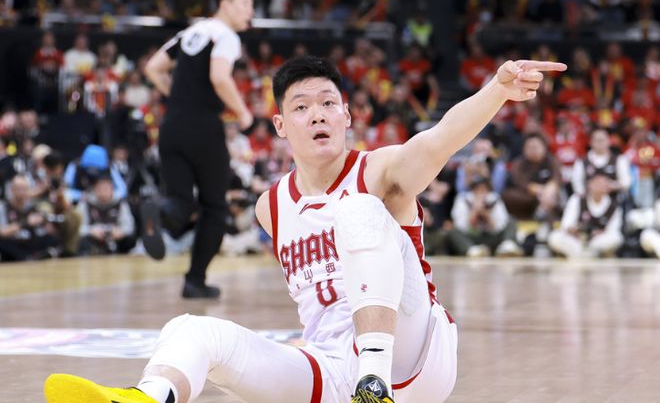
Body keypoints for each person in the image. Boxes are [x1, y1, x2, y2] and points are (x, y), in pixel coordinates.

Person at [44, 56, 565, 402]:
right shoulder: (271, 207)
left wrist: (496, 91)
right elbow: (321, 299)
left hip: (413, 357)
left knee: (357, 211)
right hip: (333, 368)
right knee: (190, 329)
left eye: (328, 104)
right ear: (280, 125)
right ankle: (149, 398)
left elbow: (439, 139)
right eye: (301, 107)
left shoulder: (379, 171)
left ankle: (374, 387)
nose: (318, 114)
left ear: (346, 117)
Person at [140, 0, 254, 299]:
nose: (250, 11)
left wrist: (178, 97)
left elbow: (153, 68)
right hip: (204, 128)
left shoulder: (190, 32)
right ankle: (195, 281)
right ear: (225, 4)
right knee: (215, 207)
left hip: (171, 126)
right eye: (245, 3)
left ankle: (158, 211)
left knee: (179, 201)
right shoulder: (226, 35)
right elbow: (220, 77)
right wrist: (243, 113)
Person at [548, 173, 623, 258]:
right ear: (590, 185)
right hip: (576, 240)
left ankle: (589, 254)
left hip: (597, 242)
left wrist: (597, 233)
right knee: (555, 236)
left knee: (617, 238)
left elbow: (613, 231)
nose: (600, 187)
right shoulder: (577, 199)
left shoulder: (613, 206)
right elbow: (566, 225)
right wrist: (576, 230)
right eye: (598, 183)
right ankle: (581, 254)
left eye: (604, 184)